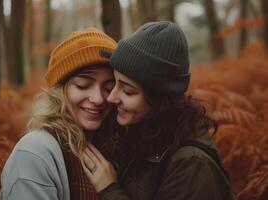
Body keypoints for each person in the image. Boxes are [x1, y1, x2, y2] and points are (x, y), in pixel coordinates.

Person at [81, 21, 236, 200]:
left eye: (128, 90)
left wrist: (109, 190)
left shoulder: (192, 166)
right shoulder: (143, 134)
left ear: (159, 98)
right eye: (114, 83)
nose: (111, 97)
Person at [0, 28, 118, 200]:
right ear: (59, 91)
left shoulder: (114, 147)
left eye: (108, 88)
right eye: (83, 85)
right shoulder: (34, 154)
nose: (98, 99)